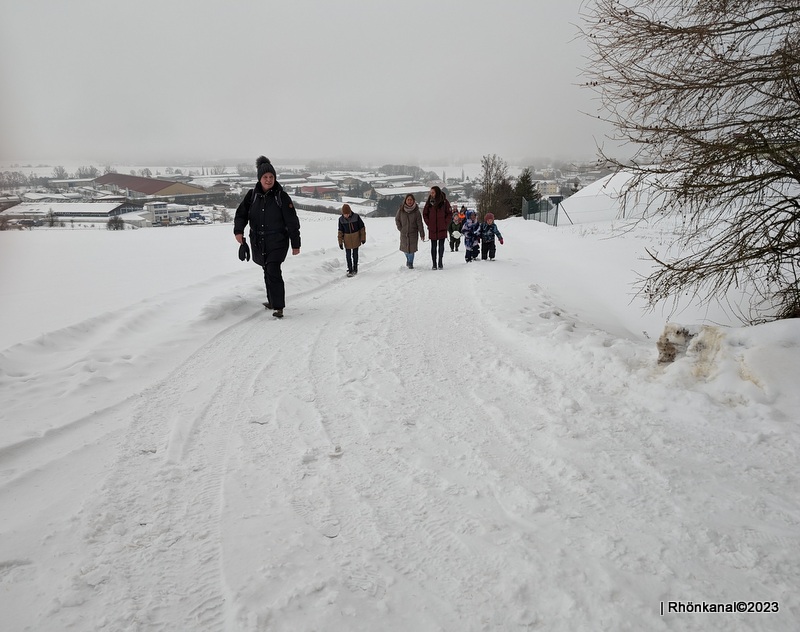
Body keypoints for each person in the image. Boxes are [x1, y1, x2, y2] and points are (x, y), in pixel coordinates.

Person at [234, 156, 301, 319]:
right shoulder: (252, 196)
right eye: (265, 177)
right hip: (259, 241)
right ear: (259, 178)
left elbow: (292, 221)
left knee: (273, 270)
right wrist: (238, 231)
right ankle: (271, 301)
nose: (269, 180)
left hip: (278, 241)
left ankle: (278, 306)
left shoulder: (282, 197)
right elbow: (241, 214)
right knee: (266, 269)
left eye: (271, 177)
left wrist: (295, 243)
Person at [422, 186, 451, 270]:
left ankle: (440, 262)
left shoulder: (445, 202)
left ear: (437, 192)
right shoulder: (429, 203)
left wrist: (445, 223)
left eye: (433, 192)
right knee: (433, 246)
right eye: (431, 192)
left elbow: (449, 213)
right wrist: (429, 223)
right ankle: (434, 263)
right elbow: (425, 214)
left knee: (441, 246)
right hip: (432, 228)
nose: (431, 194)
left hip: (442, 227)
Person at [395, 194, 425, 269]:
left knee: (411, 250)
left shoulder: (416, 211)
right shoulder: (401, 210)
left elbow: (420, 223)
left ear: (413, 201)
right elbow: (397, 219)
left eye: (411, 200)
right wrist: (400, 228)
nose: (409, 201)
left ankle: (410, 262)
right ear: (405, 200)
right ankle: (408, 260)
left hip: (413, 233)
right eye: (408, 200)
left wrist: (422, 233)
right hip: (404, 233)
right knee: (405, 249)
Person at [338, 203, 366, 277]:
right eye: (345, 214)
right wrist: (340, 242)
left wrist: (363, 238)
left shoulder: (356, 217)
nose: (346, 215)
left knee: (355, 254)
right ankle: (350, 269)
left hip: (356, 238)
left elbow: (362, 228)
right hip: (347, 240)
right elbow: (340, 232)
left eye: (347, 214)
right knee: (348, 255)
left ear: (350, 212)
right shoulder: (341, 220)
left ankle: (355, 268)